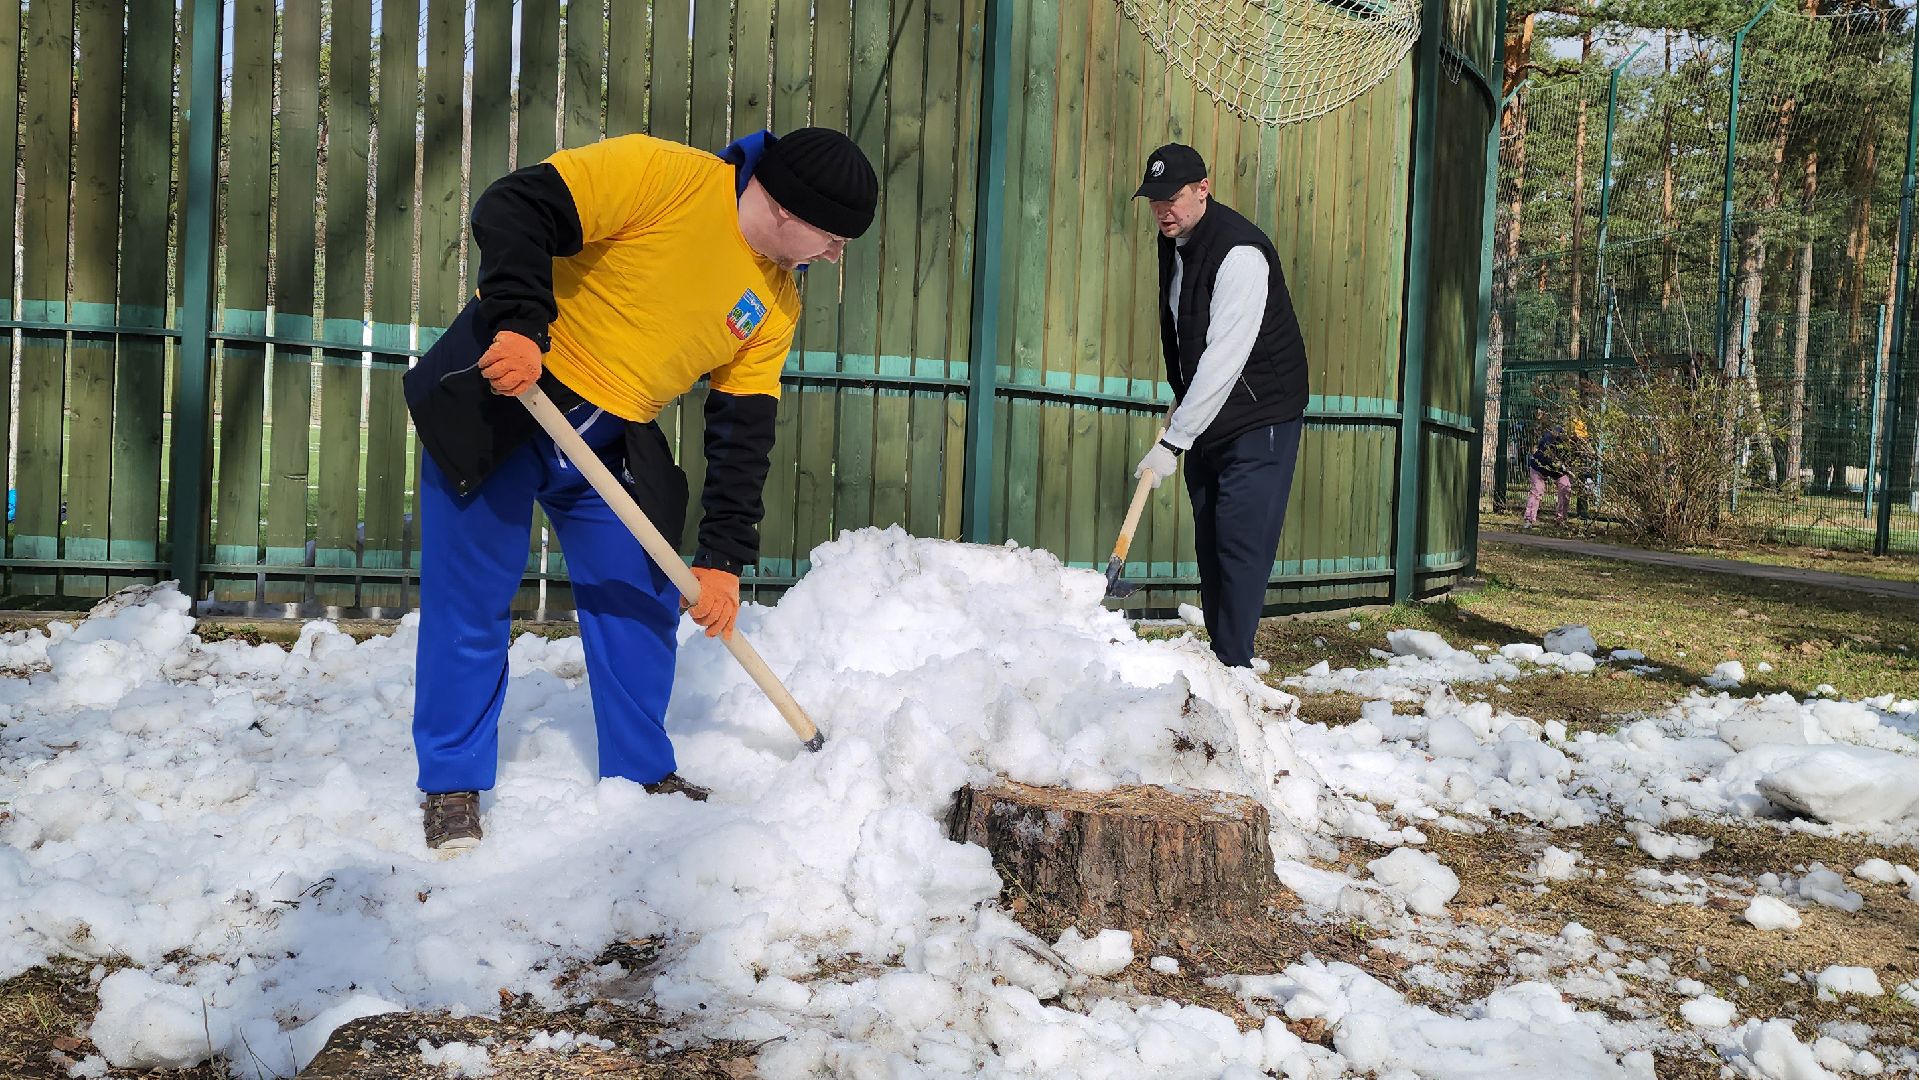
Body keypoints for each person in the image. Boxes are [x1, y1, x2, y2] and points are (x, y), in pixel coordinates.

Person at [402, 128, 878, 850]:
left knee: (642, 601)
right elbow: (516, 204)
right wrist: (520, 324)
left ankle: (641, 773)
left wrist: (722, 556)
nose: (836, 254)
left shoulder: (775, 304)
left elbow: (744, 430)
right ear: (787, 209)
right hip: (509, 393)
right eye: (833, 236)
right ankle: (452, 784)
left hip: (612, 438)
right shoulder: (663, 176)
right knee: (469, 605)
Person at [1129, 143, 1309, 670]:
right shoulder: (1176, 241)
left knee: (1239, 544)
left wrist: (1174, 441)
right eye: (1154, 200)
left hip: (1260, 415)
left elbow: (1226, 356)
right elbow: (1186, 334)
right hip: (1210, 414)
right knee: (1210, 541)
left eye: (1174, 198)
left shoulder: (1240, 252)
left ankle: (1234, 667)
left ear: (1203, 190)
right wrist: (1181, 403)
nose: (1164, 210)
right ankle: (1224, 659)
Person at [1523, 418, 1584, 529]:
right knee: (1537, 489)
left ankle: (1561, 519)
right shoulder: (1552, 436)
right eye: (1577, 435)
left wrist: (1588, 477)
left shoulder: (1578, 445)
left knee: (1566, 487)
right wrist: (1558, 463)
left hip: (1559, 470)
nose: (1578, 439)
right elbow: (1544, 452)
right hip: (1540, 466)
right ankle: (1529, 519)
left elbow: (1584, 459)